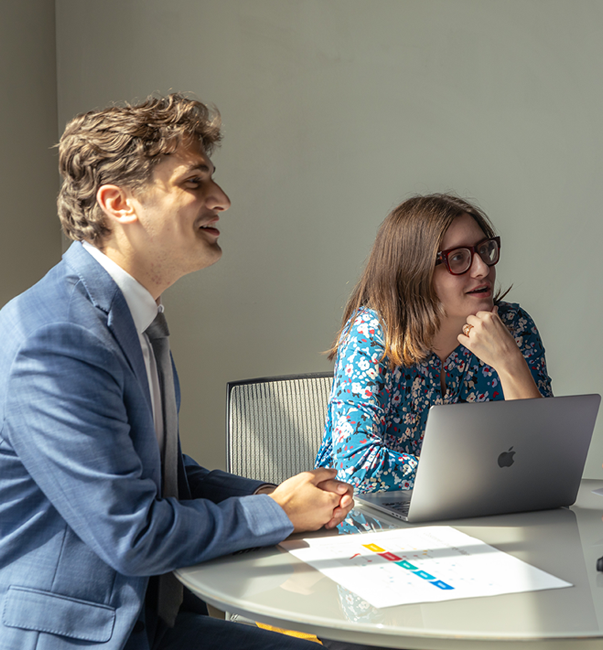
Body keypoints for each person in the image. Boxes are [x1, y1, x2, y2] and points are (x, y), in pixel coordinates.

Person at [0, 94, 354, 650]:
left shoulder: (133, 317)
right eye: (194, 183)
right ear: (119, 203)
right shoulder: (57, 337)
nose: (223, 200)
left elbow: (164, 474)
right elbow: (131, 532)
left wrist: (273, 493)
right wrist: (275, 513)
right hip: (84, 637)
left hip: (153, 623)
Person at [315, 194, 552, 494]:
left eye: (485, 250)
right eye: (458, 258)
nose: (482, 268)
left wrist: (510, 364)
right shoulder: (372, 333)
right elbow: (358, 467)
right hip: (365, 518)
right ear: (415, 272)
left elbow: (546, 464)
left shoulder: (513, 327)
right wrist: (481, 474)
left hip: (482, 513)